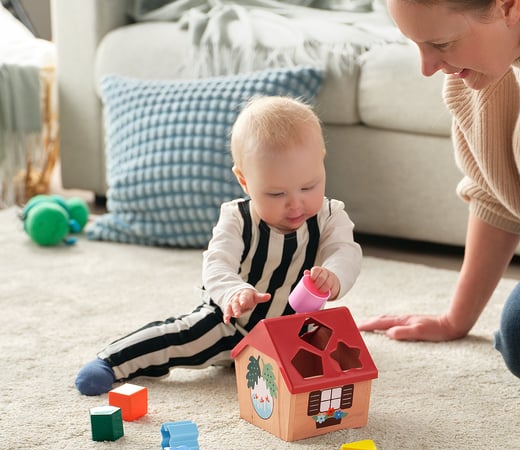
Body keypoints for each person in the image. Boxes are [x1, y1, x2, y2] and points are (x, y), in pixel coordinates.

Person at [359, 0, 520, 408]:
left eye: (441, 43)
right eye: (417, 45)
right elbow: (494, 191)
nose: (427, 66)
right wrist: (455, 318)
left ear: (508, 6)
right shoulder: (476, 82)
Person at [75, 95, 362, 396]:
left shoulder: (330, 216)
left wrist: (333, 275)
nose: (295, 204)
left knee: (338, 355)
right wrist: (233, 292)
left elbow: (345, 252)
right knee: (180, 338)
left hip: (292, 331)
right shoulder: (237, 218)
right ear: (244, 181)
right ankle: (111, 362)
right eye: (276, 194)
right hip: (231, 323)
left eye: (308, 187)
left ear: (322, 162)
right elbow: (217, 264)